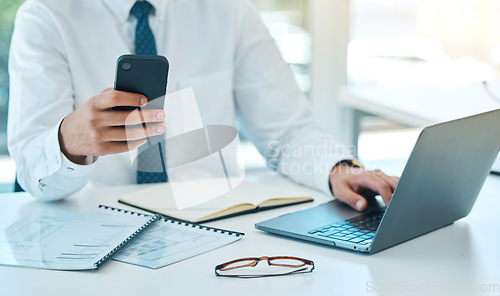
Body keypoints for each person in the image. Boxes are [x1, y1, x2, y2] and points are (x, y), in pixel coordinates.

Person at [8, 0, 398, 211]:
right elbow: (29, 169)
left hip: (211, 225)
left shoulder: (230, 10)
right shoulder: (45, 16)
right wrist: (67, 143)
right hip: (93, 231)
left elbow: (288, 130)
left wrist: (338, 168)